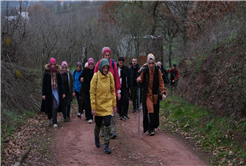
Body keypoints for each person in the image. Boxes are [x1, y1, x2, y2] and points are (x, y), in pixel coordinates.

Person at [90, 58, 116, 154]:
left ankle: (106, 145)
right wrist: (93, 107)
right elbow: (92, 93)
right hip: (98, 105)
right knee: (98, 124)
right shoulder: (95, 77)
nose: (105, 69)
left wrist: (114, 105)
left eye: (107, 68)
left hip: (108, 105)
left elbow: (113, 91)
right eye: (104, 68)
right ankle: (96, 136)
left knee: (108, 124)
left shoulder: (110, 76)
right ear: (101, 67)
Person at [94, 47, 121, 139]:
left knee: (112, 110)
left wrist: (118, 90)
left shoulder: (113, 64)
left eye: (109, 55)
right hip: (101, 93)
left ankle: (112, 131)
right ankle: (103, 130)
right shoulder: (98, 64)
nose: (107, 57)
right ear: (103, 55)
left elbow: (117, 78)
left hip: (111, 91)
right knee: (101, 112)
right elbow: (95, 78)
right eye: (106, 55)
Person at [137, 54, 166, 136]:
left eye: (152, 63)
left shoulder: (158, 70)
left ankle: (153, 126)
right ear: (147, 63)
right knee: (150, 110)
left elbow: (161, 82)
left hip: (155, 94)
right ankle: (150, 128)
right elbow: (140, 78)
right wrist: (138, 79)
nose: (151, 65)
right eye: (149, 63)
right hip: (147, 94)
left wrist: (163, 93)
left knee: (155, 111)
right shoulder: (144, 70)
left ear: (154, 63)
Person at [41, 58, 65, 128]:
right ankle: (49, 118)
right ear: (50, 64)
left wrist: (63, 92)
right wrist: (43, 94)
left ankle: (55, 122)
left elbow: (61, 83)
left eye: (54, 64)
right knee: (49, 107)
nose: (53, 66)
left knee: (55, 106)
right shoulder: (46, 72)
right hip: (48, 92)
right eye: (52, 64)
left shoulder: (58, 72)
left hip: (56, 91)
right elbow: (44, 83)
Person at [79, 58, 95, 123]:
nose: (91, 65)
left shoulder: (95, 70)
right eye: (90, 64)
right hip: (86, 89)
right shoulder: (85, 70)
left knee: (93, 103)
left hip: (94, 90)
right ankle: (88, 116)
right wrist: (81, 79)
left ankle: (94, 116)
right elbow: (80, 77)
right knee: (87, 103)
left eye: (92, 64)